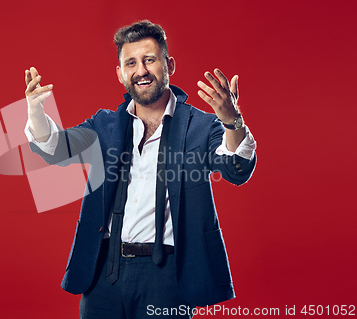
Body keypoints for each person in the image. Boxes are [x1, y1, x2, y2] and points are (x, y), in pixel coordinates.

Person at [24, 20, 257, 319]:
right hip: (104, 274)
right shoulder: (104, 124)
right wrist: (35, 113)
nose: (141, 70)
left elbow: (236, 169)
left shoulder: (201, 125)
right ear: (120, 73)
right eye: (131, 63)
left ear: (169, 64)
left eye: (150, 60)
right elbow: (56, 148)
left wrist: (231, 121)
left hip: (168, 276)